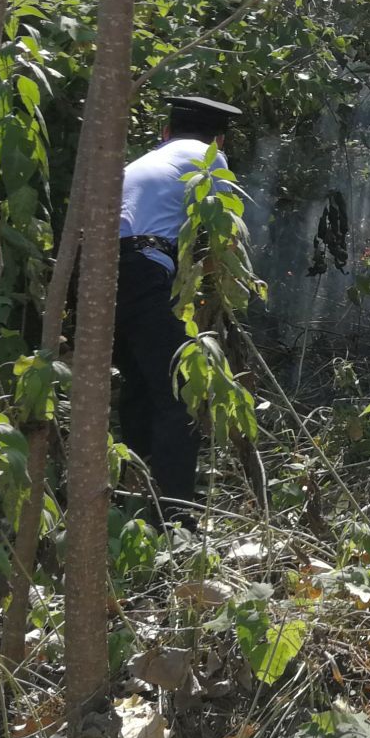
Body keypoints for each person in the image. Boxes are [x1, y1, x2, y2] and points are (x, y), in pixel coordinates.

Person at [115, 93, 243, 513]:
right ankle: (175, 516)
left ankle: (131, 499)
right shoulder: (209, 159)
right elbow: (221, 237)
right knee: (179, 395)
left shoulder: (139, 163)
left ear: (165, 132)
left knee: (138, 388)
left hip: (101, 274)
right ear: (219, 141)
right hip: (146, 271)